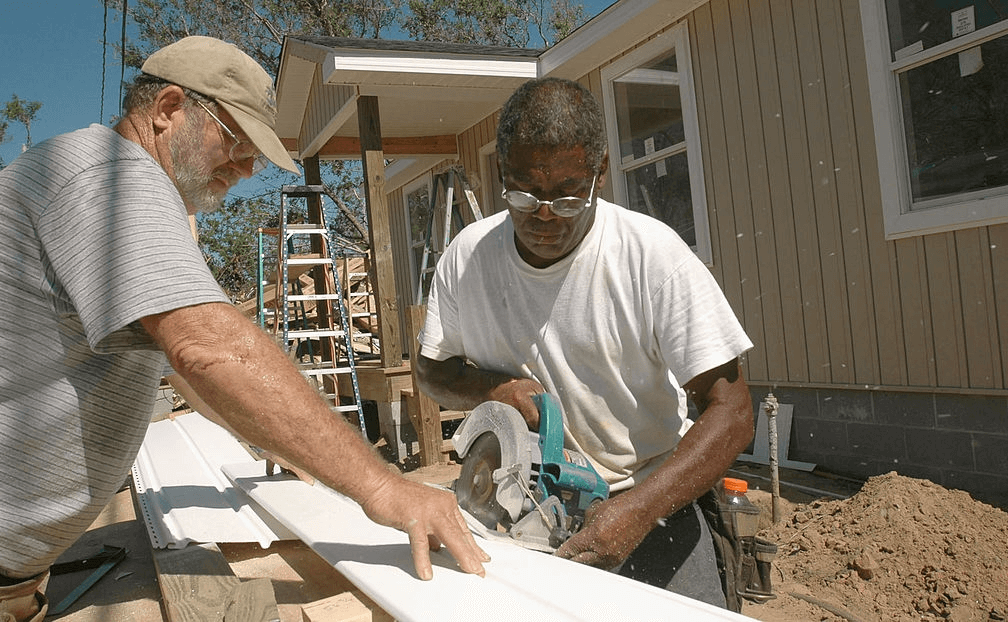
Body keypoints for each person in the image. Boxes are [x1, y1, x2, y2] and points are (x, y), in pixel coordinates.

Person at [0, 36, 488, 622]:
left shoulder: (126, 188)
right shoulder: (107, 178)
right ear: (168, 109)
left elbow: (186, 371)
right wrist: (383, 487)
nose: (246, 167)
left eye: (256, 154)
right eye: (236, 140)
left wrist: (273, 434)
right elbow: (207, 348)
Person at [415, 76, 754, 608]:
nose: (545, 216)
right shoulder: (467, 259)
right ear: (501, 173)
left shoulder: (651, 258)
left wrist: (641, 511)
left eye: (568, 197)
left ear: (599, 172)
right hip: (510, 506)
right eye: (525, 194)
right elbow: (431, 372)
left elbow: (732, 411)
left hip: (648, 497)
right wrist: (491, 389)